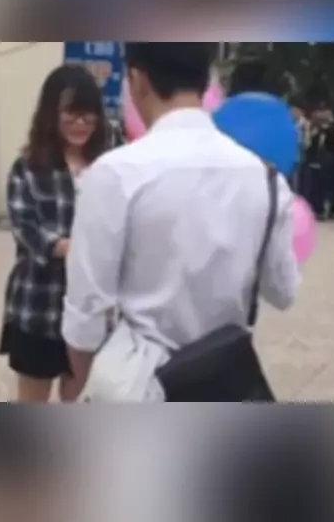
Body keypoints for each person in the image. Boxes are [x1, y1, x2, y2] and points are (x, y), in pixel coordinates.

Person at [60, 42, 300, 402]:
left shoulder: (115, 173)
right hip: (224, 383)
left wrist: (87, 383)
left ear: (137, 80)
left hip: (139, 383)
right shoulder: (264, 178)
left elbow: (86, 313)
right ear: (206, 81)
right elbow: (283, 291)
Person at [0, 64, 108, 403]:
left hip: (93, 307)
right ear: (51, 113)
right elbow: (26, 229)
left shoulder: (110, 166)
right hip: (40, 303)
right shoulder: (28, 167)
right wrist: (75, 248)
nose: (80, 122)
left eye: (88, 114)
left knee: (80, 397)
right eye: (70, 113)